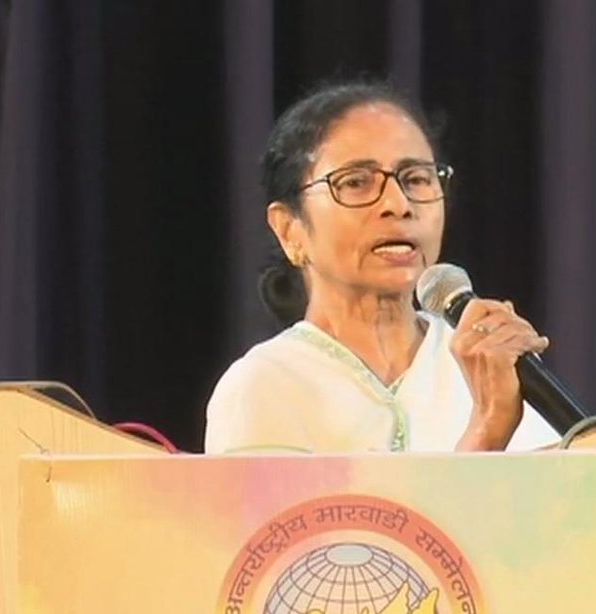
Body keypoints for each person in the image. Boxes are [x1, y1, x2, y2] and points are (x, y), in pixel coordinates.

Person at [203, 79, 559, 454]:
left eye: (417, 179)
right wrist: (487, 430)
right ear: (290, 229)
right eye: (356, 182)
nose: (398, 203)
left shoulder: (485, 365)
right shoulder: (265, 385)